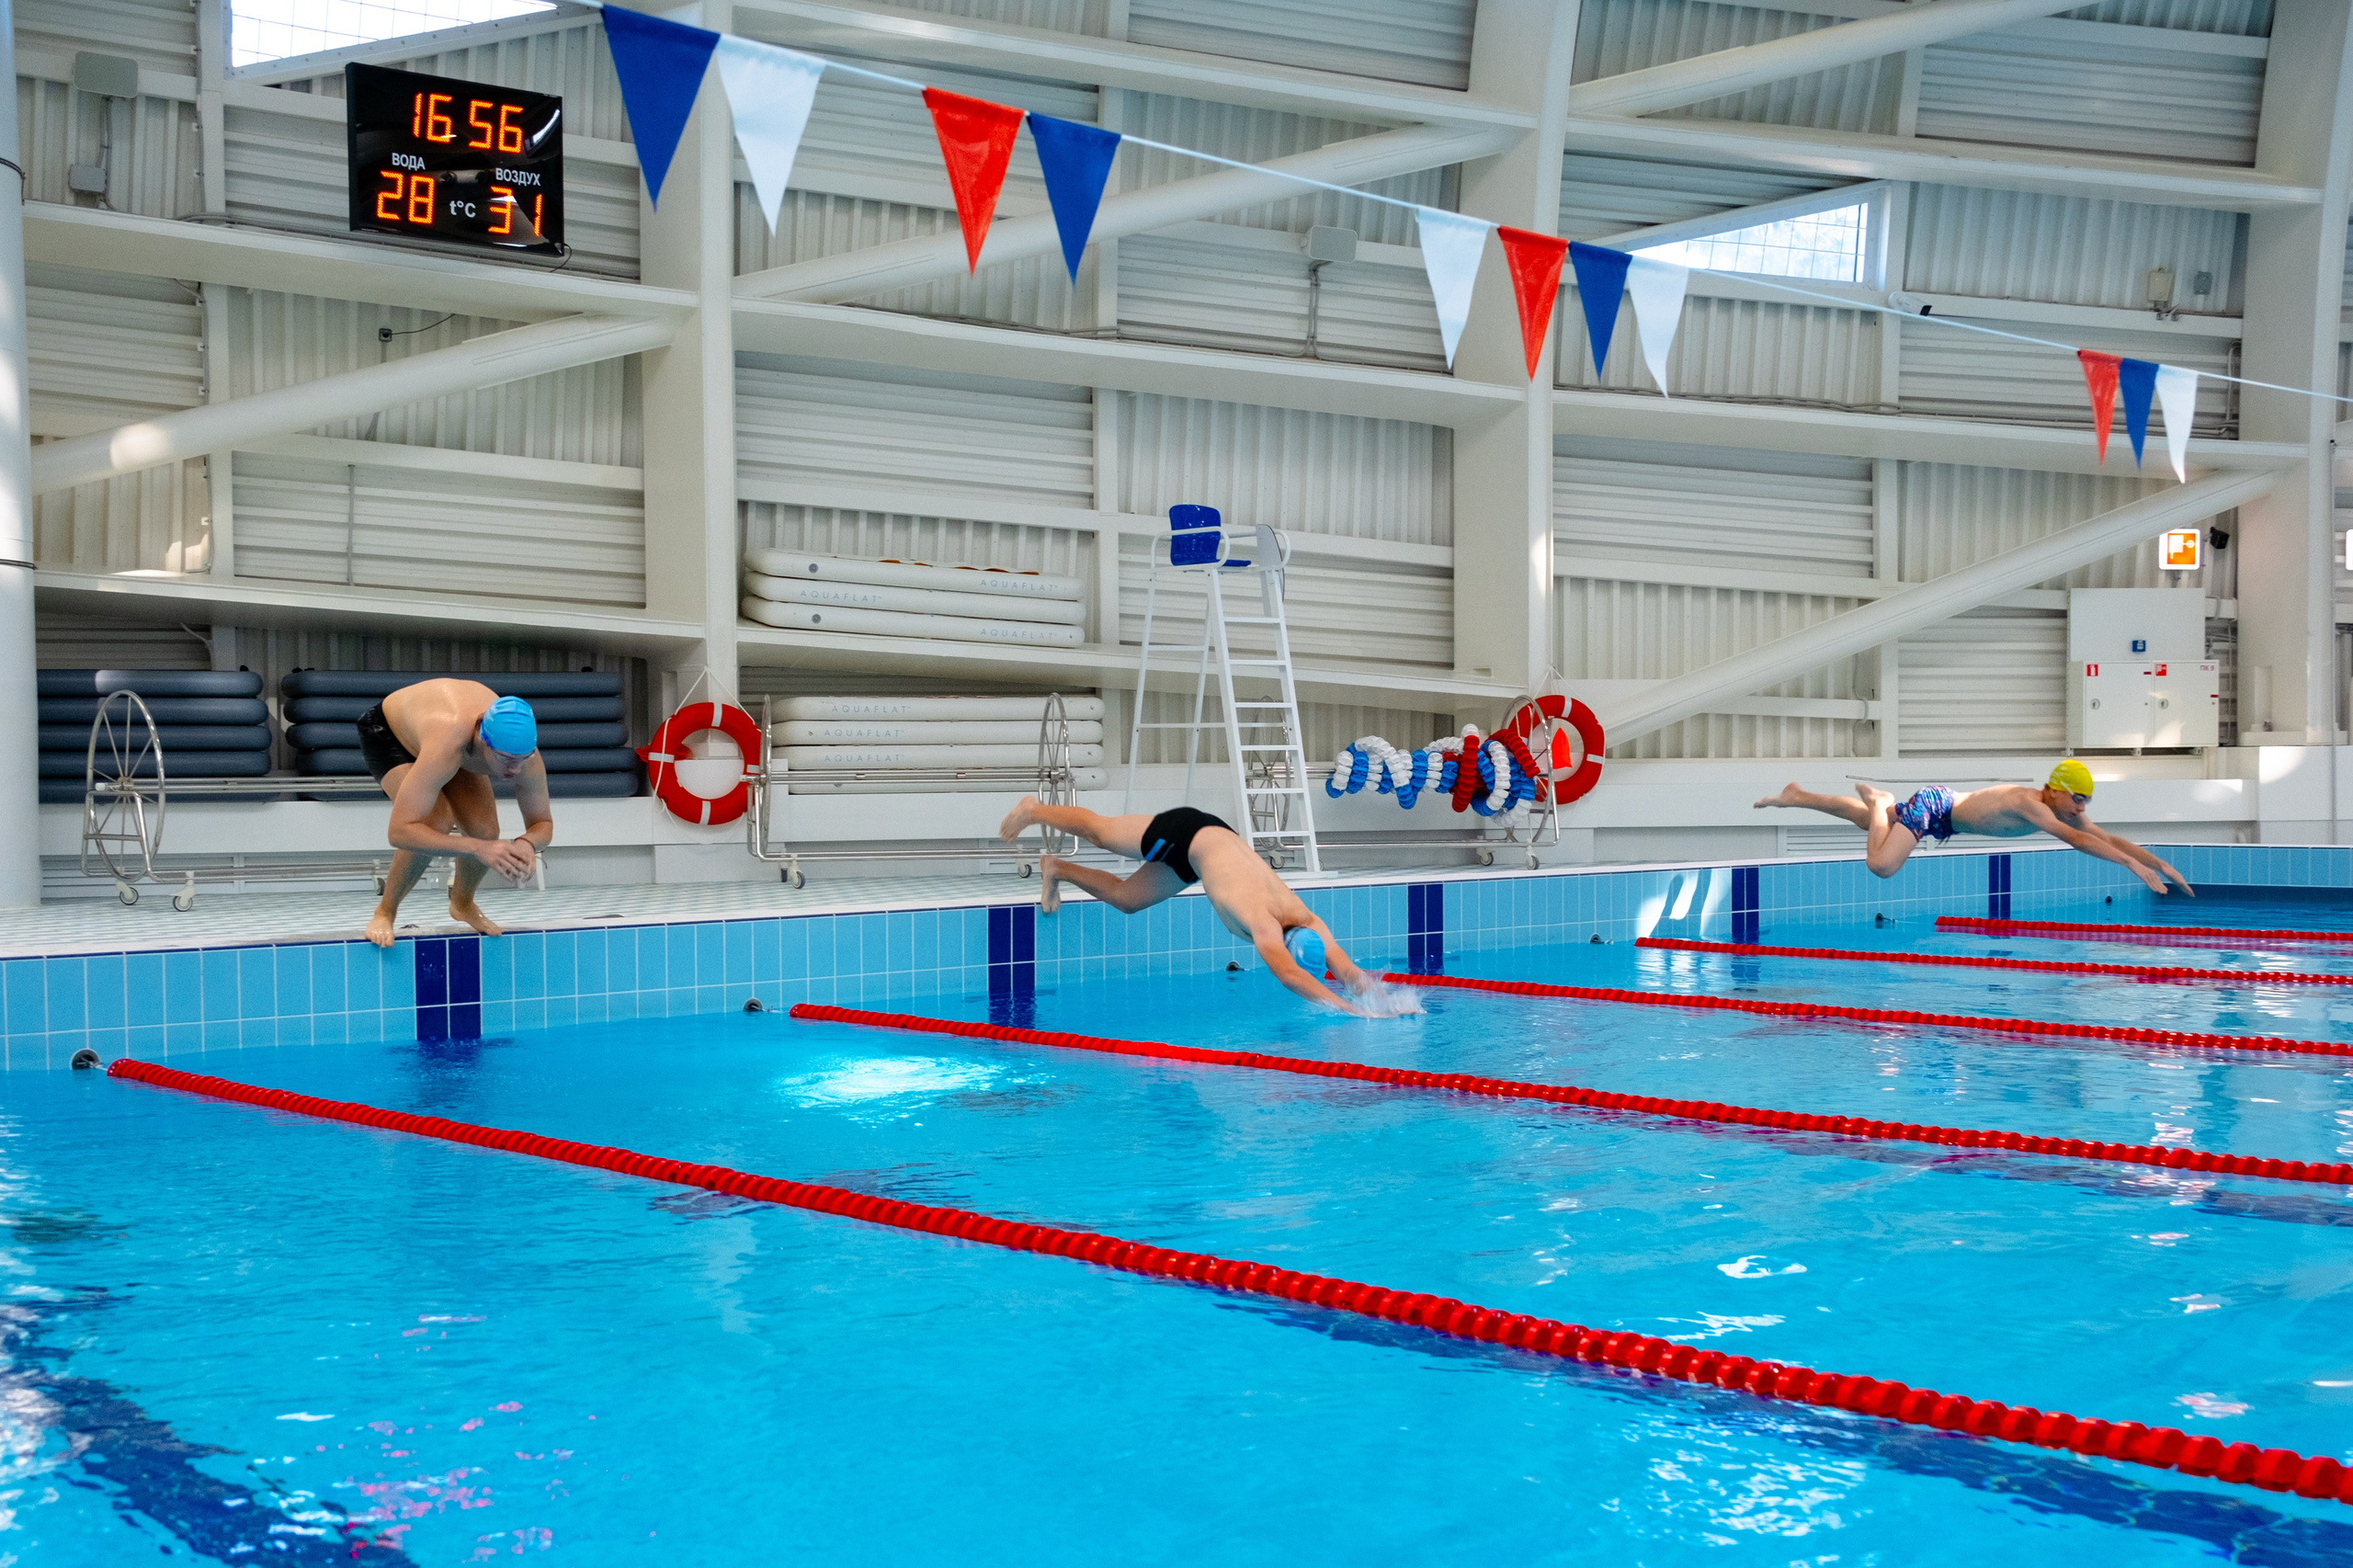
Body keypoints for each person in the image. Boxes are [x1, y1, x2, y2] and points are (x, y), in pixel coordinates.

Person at [996, 798, 1408, 1015]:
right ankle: (1034, 810)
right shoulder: (1263, 923)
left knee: (1126, 900)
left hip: (1200, 861)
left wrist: (1382, 1000)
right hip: (1190, 833)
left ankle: (1057, 868)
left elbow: (1346, 968)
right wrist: (1351, 1014)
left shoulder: (1305, 918)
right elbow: (1288, 976)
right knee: (1101, 833)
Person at [1752, 760, 2193, 895]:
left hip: (1945, 814)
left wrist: (2157, 862)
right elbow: (2078, 841)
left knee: (1867, 822)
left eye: (2086, 802)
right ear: (2055, 791)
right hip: (1934, 805)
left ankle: (1798, 795)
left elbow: (2104, 837)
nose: (2082, 808)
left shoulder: (2063, 809)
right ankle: (1882, 799)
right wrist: (2133, 869)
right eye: (2078, 799)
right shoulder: (2032, 805)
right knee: (1881, 866)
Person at [357, 678, 554, 947]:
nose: (515, 770)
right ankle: (385, 912)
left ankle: (462, 903)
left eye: (523, 759)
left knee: (485, 831)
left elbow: (542, 822)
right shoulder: (448, 745)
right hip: (389, 732)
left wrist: (527, 843)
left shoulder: (522, 754)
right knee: (434, 822)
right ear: (483, 742)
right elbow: (400, 831)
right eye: (507, 759)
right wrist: (475, 848)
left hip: (447, 738)